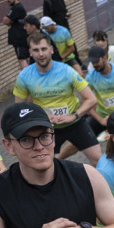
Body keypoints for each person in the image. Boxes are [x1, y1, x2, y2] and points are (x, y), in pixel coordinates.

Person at [14, 33, 102, 163]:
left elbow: (91, 99)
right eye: (36, 50)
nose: (41, 54)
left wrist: (73, 116)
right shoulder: (24, 76)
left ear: (51, 49)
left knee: (98, 160)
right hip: (46, 128)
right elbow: (19, 109)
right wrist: (40, 118)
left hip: (75, 124)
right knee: (46, 165)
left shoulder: (67, 71)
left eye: (44, 49)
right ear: (30, 52)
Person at [2, 0, 28, 65]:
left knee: (22, 59)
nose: (7, 0)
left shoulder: (16, 8)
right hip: (20, 37)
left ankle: (26, 76)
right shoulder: (16, 7)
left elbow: (5, 21)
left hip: (19, 38)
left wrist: (8, 20)